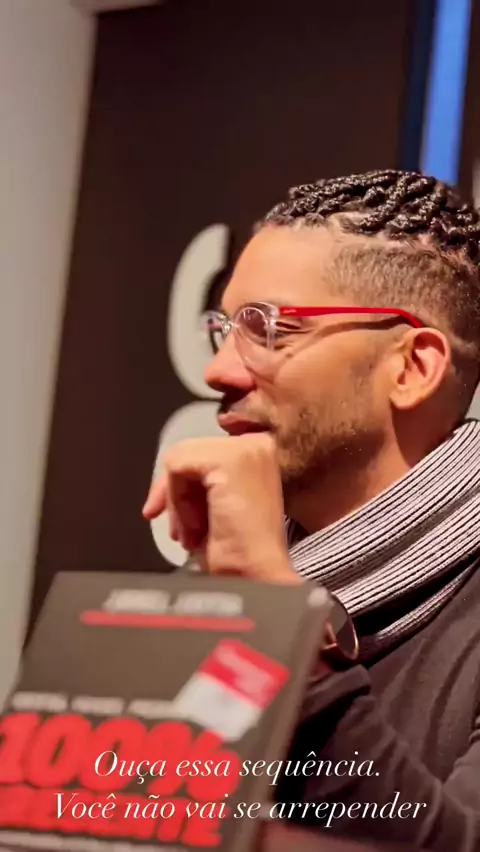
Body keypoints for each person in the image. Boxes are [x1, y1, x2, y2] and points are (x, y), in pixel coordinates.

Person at [142, 170, 480, 851]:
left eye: (266, 328)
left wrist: (277, 619)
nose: (218, 372)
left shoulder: (256, 590)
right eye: (224, 328)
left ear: (412, 368)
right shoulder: (212, 589)